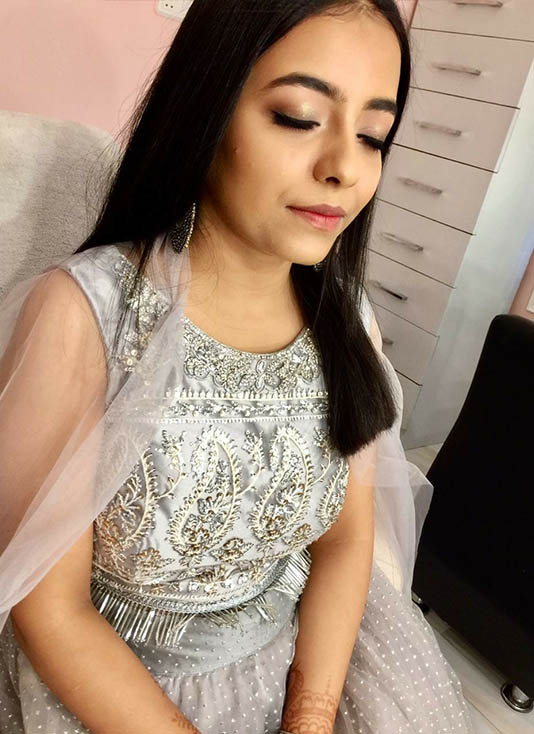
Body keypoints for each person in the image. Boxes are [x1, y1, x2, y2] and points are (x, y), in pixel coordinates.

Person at [0, 1, 475, 732]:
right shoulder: (88, 314)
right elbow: (50, 607)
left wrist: (310, 716)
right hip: (116, 691)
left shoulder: (342, 322)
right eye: (297, 117)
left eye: (373, 136)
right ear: (209, 108)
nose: (345, 167)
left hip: (304, 662)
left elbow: (346, 539)